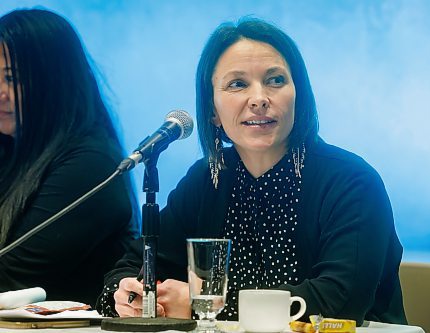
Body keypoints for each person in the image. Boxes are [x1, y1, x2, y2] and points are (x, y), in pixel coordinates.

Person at [98, 17, 407, 325]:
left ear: (298, 95)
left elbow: (339, 301)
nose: (259, 99)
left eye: (275, 80)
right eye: (238, 84)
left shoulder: (351, 182)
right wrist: (129, 296)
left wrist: (201, 303)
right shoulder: (206, 181)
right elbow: (129, 268)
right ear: (213, 112)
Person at [0, 8, 139, 305]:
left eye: (12, 79)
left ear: (55, 81)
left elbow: (11, 278)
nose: (0, 93)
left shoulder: (91, 164)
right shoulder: (10, 151)